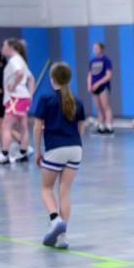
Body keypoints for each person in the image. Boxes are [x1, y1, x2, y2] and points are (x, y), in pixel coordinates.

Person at [33, 62, 85, 249]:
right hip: (76, 148)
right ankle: (62, 236)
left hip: (55, 148)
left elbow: (37, 126)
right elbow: (81, 127)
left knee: (46, 188)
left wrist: (38, 151)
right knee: (65, 190)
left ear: (52, 78)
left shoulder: (46, 98)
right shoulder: (76, 100)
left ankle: (55, 221)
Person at [0, 39, 33, 165]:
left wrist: (13, 86)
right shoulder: (21, 60)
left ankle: (4, 155)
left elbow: (19, 74)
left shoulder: (14, 61)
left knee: (6, 126)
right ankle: (23, 153)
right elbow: (31, 78)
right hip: (23, 97)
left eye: (5, 46)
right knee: (23, 127)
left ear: (11, 47)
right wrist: (30, 95)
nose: (2, 48)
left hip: (15, 98)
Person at [87, 42, 113, 135]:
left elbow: (108, 76)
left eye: (96, 48)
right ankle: (101, 126)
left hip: (103, 87)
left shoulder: (106, 60)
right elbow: (90, 74)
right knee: (98, 107)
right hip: (94, 88)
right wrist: (89, 85)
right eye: (94, 48)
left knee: (106, 106)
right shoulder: (92, 61)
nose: (94, 50)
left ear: (101, 49)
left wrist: (98, 83)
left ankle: (109, 127)